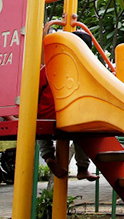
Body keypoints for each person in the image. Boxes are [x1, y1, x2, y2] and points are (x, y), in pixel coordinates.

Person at [37, 29, 98, 181]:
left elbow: (36, 90)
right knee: (84, 133)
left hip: (45, 116)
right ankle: (83, 168)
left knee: (38, 128)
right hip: (70, 116)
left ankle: (48, 156)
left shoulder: (49, 67)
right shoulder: (85, 70)